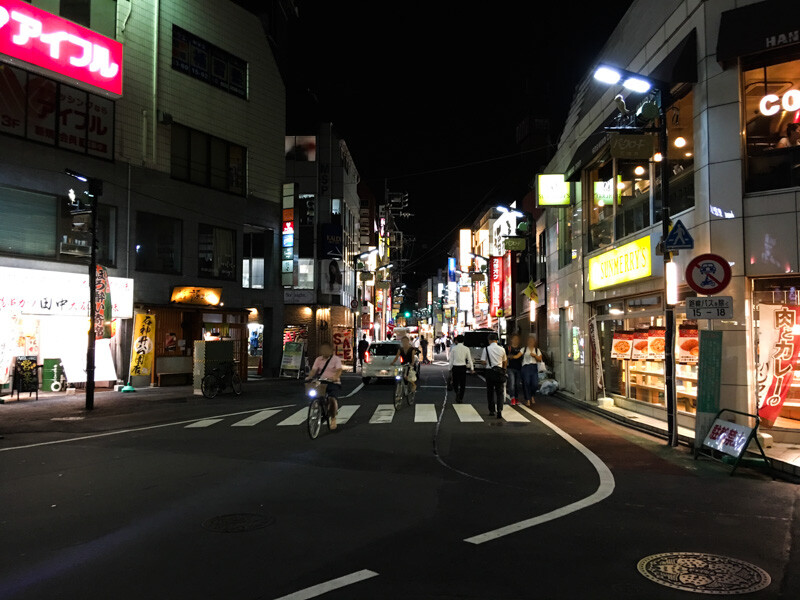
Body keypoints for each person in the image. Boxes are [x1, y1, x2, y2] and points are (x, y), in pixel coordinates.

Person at [305, 341, 343, 429]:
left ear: (331, 350)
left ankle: (333, 418)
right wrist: (309, 377)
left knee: (332, 399)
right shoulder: (318, 359)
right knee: (314, 394)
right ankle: (318, 406)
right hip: (321, 381)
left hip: (333, 382)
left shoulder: (335, 359)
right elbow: (314, 370)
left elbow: (339, 370)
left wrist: (335, 377)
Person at [481, 333, 507, 418]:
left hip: (489, 372)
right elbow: (505, 361)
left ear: (490, 340)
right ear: (496, 340)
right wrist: (503, 370)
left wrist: (487, 363)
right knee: (500, 392)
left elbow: (483, 361)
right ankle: (499, 410)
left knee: (490, 392)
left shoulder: (486, 349)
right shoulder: (502, 349)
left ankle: (491, 410)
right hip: (499, 372)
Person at [448, 334, 474, 402]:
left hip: (455, 367)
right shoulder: (466, 348)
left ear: (456, 340)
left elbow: (451, 360)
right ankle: (461, 397)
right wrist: (472, 368)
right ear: (463, 341)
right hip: (463, 367)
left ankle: (457, 392)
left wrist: (449, 369)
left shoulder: (454, 349)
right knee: (463, 383)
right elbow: (469, 359)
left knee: (455, 383)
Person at [521, 335, 543, 408]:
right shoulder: (524, 349)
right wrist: (511, 357)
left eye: (532, 341)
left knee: (535, 384)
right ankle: (527, 399)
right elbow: (518, 355)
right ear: (527, 342)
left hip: (534, 367)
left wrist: (535, 356)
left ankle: (532, 395)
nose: (530, 342)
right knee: (526, 383)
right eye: (529, 340)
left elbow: (539, 359)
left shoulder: (537, 350)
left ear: (534, 342)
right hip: (525, 367)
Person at [505, 333, 524, 406]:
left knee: (517, 384)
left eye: (517, 339)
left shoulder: (521, 348)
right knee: (512, 384)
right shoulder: (508, 348)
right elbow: (504, 357)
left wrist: (513, 356)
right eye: (515, 339)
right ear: (511, 340)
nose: (516, 340)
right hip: (510, 368)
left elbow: (522, 358)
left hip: (519, 368)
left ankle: (516, 398)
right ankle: (512, 398)